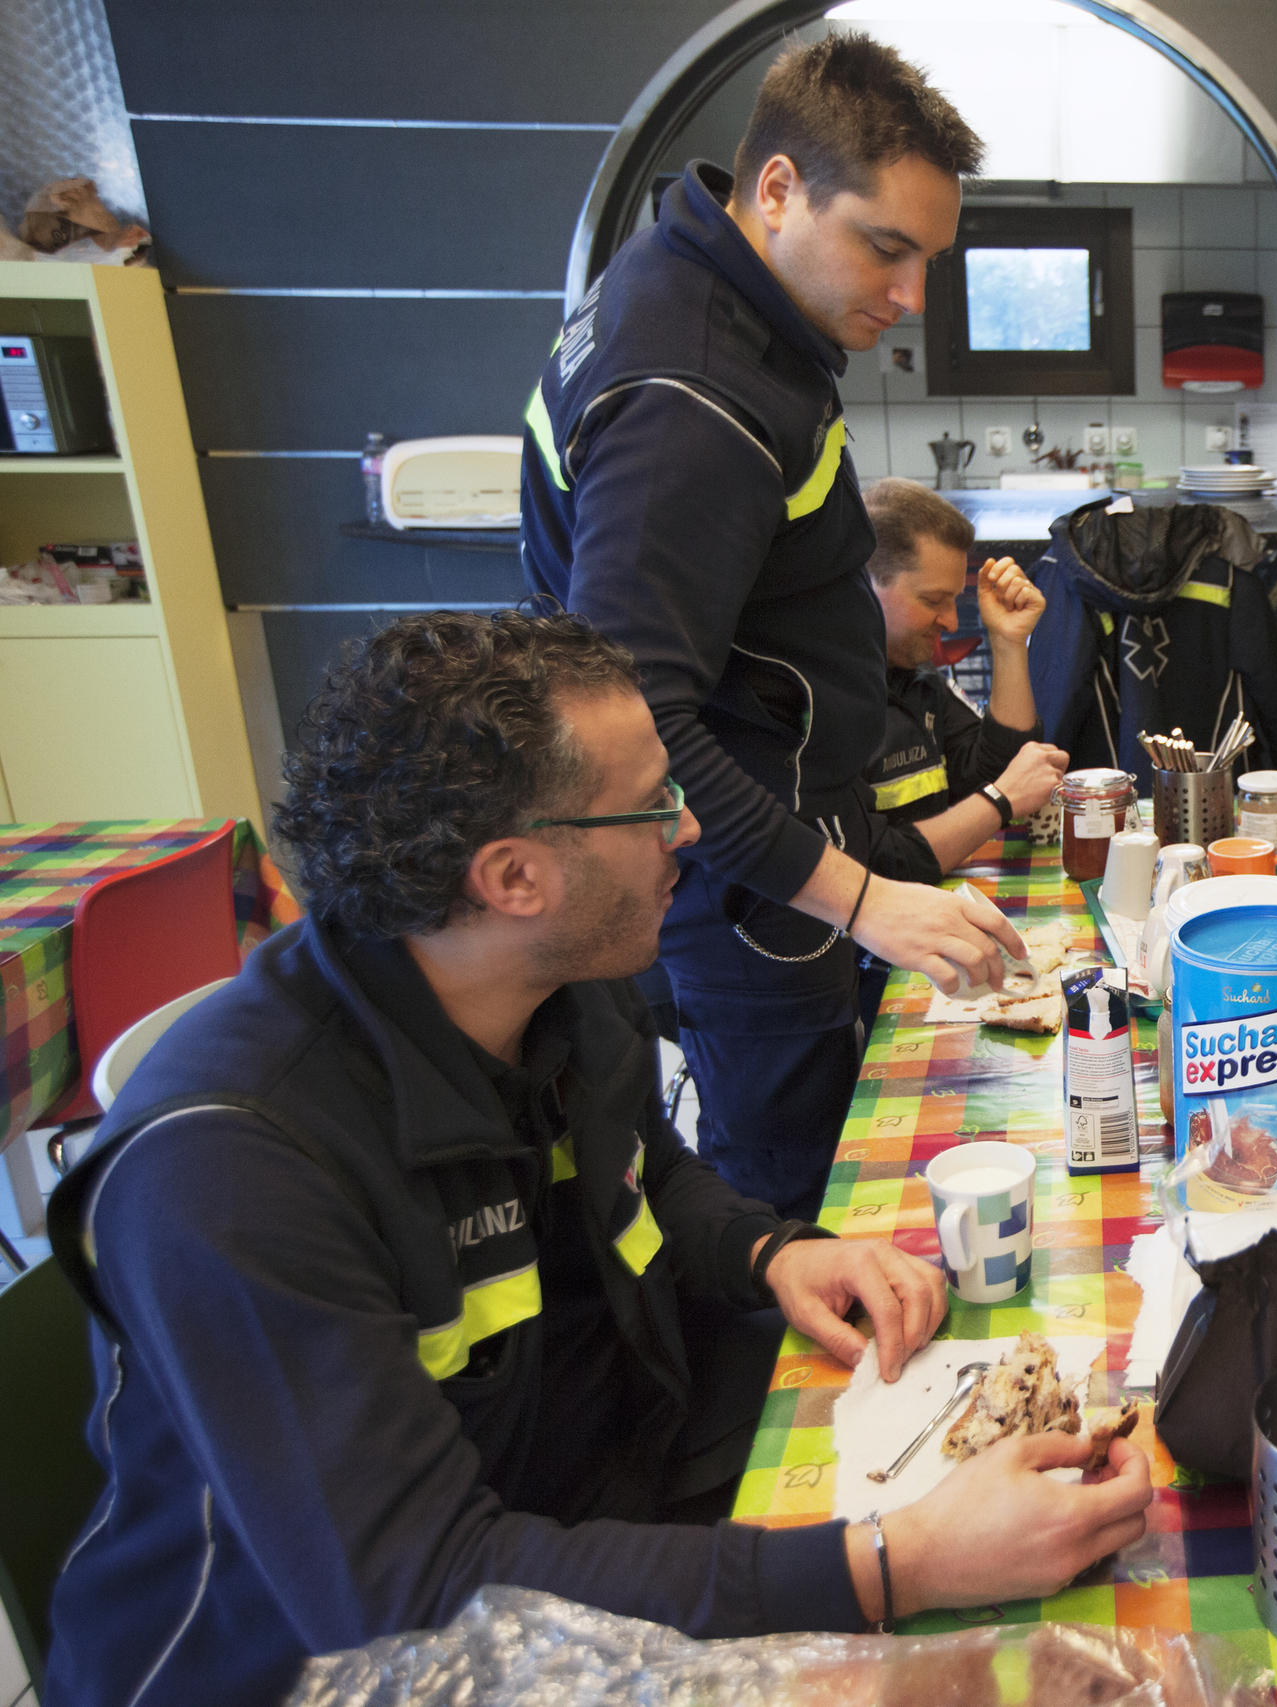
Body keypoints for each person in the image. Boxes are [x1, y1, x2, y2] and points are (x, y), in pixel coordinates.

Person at [40, 613, 1153, 1707]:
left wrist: (769, 1252)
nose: (688, 829)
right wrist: (893, 1563)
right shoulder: (231, 1174)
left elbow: (647, 1172)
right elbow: (417, 1599)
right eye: (653, 803)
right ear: (512, 876)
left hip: (600, 1494)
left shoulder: (553, 980)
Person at [520, 36, 1021, 1223]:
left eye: (927, 261)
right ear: (781, 188)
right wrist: (858, 897)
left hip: (781, 868)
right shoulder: (692, 394)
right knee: (789, 1206)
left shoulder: (710, 294)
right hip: (751, 895)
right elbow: (631, 726)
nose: (906, 299)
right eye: (885, 249)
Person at [856, 478, 1067, 1026]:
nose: (951, 621)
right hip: (860, 964)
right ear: (863, 584)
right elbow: (879, 863)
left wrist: (1008, 641)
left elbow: (996, 763)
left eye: (955, 599)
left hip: (926, 942)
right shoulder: (830, 703)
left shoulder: (915, 680)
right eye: (934, 600)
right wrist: (999, 802)